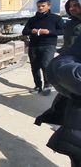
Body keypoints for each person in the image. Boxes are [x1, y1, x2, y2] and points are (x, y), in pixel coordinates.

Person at [35, 35, 81, 167]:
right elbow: (62, 63)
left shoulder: (54, 18)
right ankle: (40, 86)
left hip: (48, 44)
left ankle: (45, 86)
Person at [22, 0, 64, 95]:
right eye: (38, 6)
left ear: (49, 6)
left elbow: (62, 31)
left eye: (43, 6)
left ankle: (47, 85)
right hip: (34, 45)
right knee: (34, 66)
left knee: (46, 65)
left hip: (49, 45)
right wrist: (32, 31)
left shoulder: (56, 18)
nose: (40, 8)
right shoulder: (32, 19)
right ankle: (37, 86)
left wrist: (49, 32)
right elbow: (24, 31)